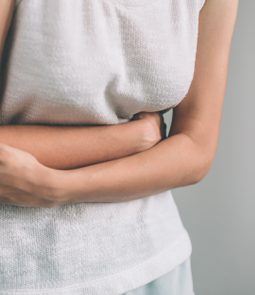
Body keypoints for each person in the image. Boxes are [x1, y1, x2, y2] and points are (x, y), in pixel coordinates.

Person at [0, 0, 238, 294]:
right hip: (25, 276)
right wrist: (127, 139)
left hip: (155, 267)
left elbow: (196, 150)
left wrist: (60, 186)